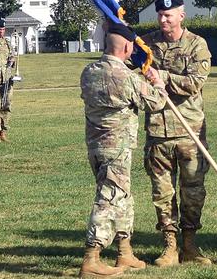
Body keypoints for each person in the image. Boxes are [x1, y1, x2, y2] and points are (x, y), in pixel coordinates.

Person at [78, 23, 166, 279]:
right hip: (116, 147)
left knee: (123, 197)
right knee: (108, 199)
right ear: (128, 47)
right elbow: (155, 102)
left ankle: (124, 252)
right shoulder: (126, 78)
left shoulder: (88, 71)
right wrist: (158, 83)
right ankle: (91, 259)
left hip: (96, 145)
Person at [140, 0, 212, 267]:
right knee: (162, 191)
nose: (163, 20)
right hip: (158, 130)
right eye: (160, 15)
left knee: (193, 190)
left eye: (169, 15)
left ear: (182, 15)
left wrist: (164, 77)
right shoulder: (146, 45)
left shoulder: (197, 45)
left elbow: (195, 82)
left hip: (189, 129)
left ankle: (190, 243)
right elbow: (134, 77)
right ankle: (169, 245)